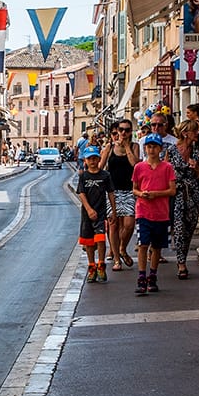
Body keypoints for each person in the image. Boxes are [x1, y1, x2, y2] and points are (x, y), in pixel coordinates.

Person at [132, 133, 176, 296]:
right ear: (145, 148)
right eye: (149, 147)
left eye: (154, 147)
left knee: (157, 247)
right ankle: (141, 277)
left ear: (160, 149)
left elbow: (172, 190)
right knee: (143, 244)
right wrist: (141, 194)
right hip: (143, 211)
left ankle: (153, 275)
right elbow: (134, 188)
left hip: (161, 213)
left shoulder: (167, 167)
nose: (151, 150)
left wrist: (156, 194)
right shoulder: (139, 167)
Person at [101, 118, 138, 271]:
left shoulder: (134, 146)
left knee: (129, 224)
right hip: (112, 191)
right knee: (113, 225)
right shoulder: (110, 147)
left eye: (127, 130)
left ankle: (122, 248)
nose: (123, 133)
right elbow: (101, 166)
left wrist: (127, 147)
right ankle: (117, 258)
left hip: (129, 190)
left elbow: (135, 165)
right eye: (121, 130)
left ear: (130, 132)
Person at [169, 122, 199, 279]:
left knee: (190, 226)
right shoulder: (172, 150)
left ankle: (183, 255)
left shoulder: (197, 150)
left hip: (193, 192)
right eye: (194, 131)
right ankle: (181, 262)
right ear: (185, 133)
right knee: (178, 226)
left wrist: (196, 167)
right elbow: (166, 171)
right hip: (177, 192)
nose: (197, 133)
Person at [75, 146, 112, 283]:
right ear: (85, 160)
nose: (92, 161)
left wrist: (113, 211)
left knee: (100, 239)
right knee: (89, 242)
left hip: (101, 212)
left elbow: (111, 193)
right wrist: (89, 209)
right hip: (87, 215)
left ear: (99, 159)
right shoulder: (83, 176)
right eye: (89, 159)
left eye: (95, 158)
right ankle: (91, 267)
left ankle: (101, 265)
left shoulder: (105, 175)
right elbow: (81, 193)